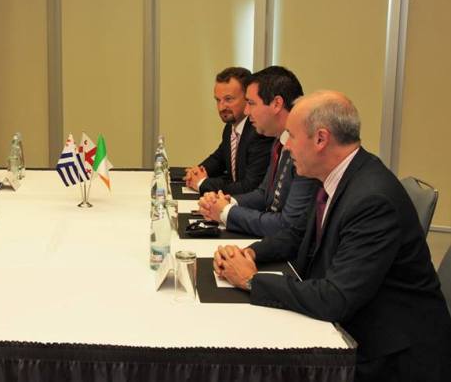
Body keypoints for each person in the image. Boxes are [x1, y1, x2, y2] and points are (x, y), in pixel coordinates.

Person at [213, 91, 451, 381]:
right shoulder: (338, 176)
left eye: (292, 136)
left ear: (321, 139)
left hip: (390, 357)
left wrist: (251, 280)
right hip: (360, 323)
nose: (286, 147)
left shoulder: (372, 200)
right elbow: (297, 235)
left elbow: (336, 298)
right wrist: (250, 253)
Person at [199, 66, 319, 237]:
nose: (246, 111)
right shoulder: (279, 140)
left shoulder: (305, 149)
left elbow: (286, 225)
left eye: (251, 103)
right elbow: (264, 194)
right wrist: (228, 201)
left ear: (277, 104)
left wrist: (226, 212)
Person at [184, 67, 273, 195]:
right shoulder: (230, 127)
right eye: (218, 100)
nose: (221, 107)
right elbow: (218, 159)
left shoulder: (259, 131)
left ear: (247, 97)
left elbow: (249, 186)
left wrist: (201, 183)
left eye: (228, 99)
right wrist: (197, 172)